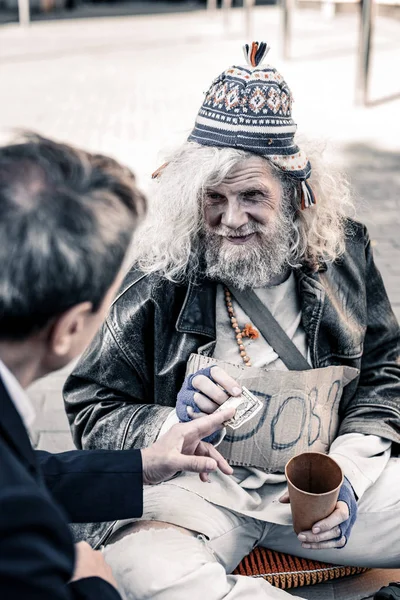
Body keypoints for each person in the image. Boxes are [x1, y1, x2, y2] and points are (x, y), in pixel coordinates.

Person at [64, 42, 400, 600]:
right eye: (213, 198)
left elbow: (386, 369)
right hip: (196, 491)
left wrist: (349, 476)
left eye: (252, 196)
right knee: (145, 573)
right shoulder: (160, 273)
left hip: (323, 485)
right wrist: (167, 420)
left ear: (296, 196)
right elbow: (89, 407)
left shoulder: (344, 252)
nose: (230, 219)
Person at [0, 133, 235, 600]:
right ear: (69, 329)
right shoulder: (24, 538)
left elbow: (25, 470)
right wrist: (92, 581)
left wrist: (142, 465)